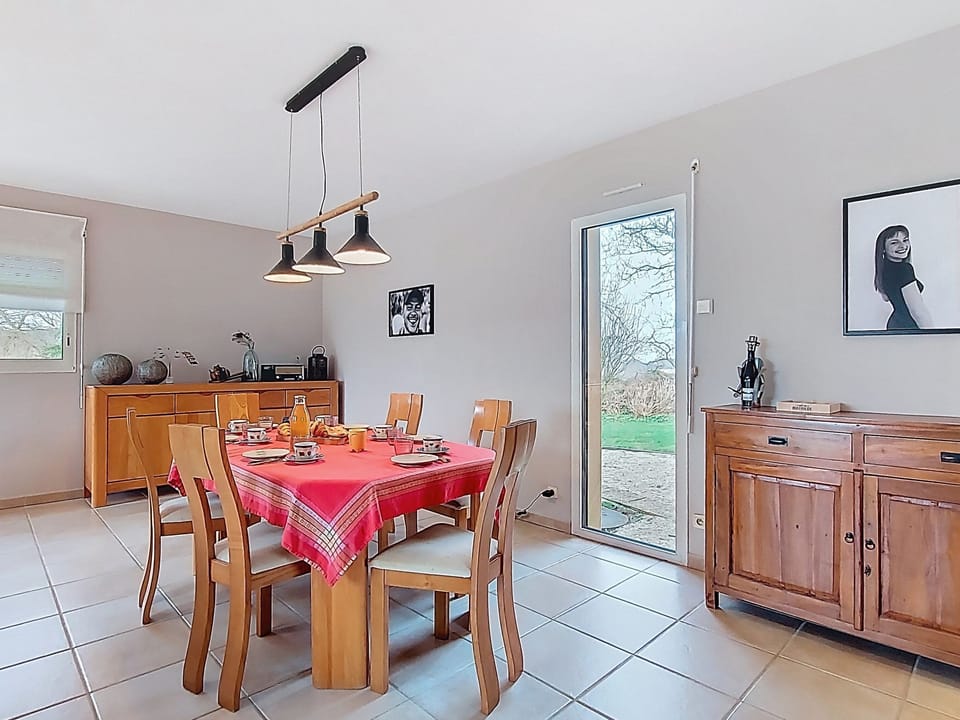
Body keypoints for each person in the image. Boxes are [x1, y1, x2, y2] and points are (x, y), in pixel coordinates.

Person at [873, 224, 932, 330]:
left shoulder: (883, 270)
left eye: (905, 240)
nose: (903, 245)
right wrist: (933, 336)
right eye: (894, 242)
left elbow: (886, 298)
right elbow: (918, 312)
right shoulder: (904, 270)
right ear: (883, 248)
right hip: (909, 325)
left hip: (894, 325)